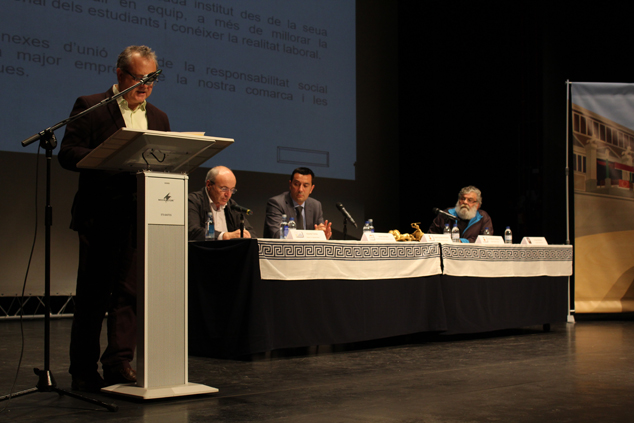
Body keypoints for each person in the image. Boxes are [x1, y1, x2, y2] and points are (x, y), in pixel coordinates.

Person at [58, 45, 170, 392]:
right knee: (93, 297)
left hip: (138, 218)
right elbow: (67, 153)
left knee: (129, 296)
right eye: (139, 78)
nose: (145, 85)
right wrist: (110, 157)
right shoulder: (91, 106)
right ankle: (83, 370)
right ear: (120, 74)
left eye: (152, 78)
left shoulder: (160, 118)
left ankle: (119, 363)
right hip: (99, 217)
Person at [188, 166, 257, 241]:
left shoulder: (231, 205)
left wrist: (247, 235)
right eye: (224, 189)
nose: (228, 194)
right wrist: (224, 236)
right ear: (209, 185)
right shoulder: (193, 201)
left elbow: (251, 232)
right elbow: (193, 231)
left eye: (232, 190)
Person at [263, 167, 332, 239]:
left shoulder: (316, 205)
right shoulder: (276, 203)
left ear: (311, 188)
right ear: (290, 185)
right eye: (296, 184)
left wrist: (323, 235)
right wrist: (314, 235)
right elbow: (277, 235)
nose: (300, 189)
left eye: (305, 186)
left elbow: (321, 233)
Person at [428, 186, 493, 243]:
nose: (465, 202)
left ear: (477, 205)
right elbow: (432, 235)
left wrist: (463, 242)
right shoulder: (446, 214)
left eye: (469, 200)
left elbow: (486, 240)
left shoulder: (483, 217)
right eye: (463, 199)